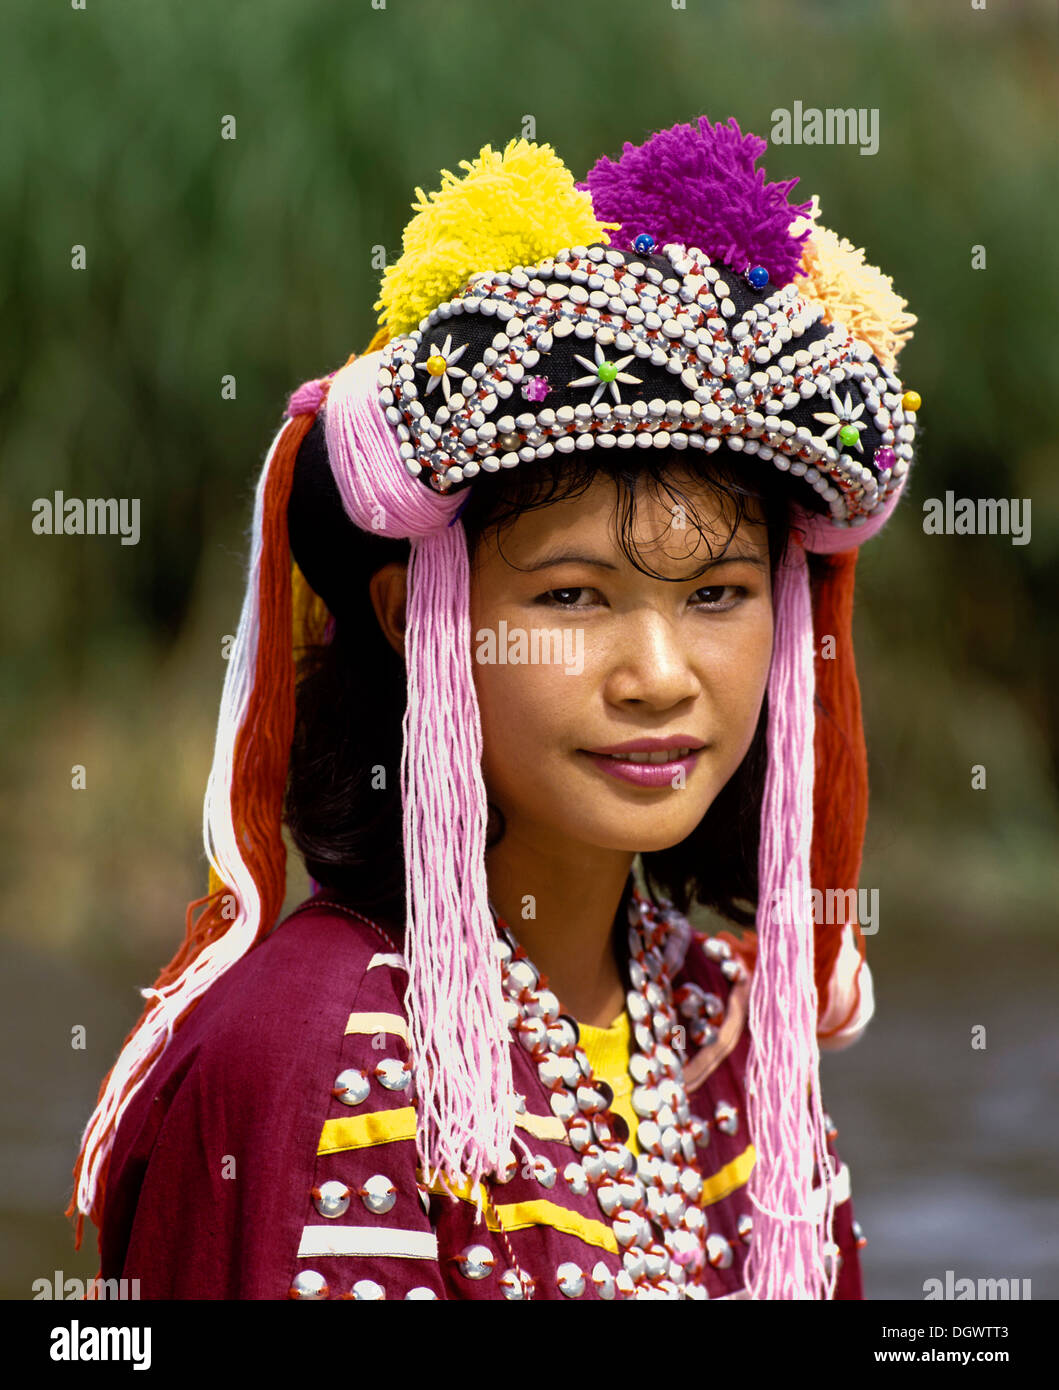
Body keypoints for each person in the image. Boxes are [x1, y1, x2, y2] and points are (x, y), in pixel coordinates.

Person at [67, 116, 919, 1300]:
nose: (660, 675)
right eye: (572, 596)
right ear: (411, 614)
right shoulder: (312, 1049)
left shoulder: (730, 1020)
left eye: (719, 594)